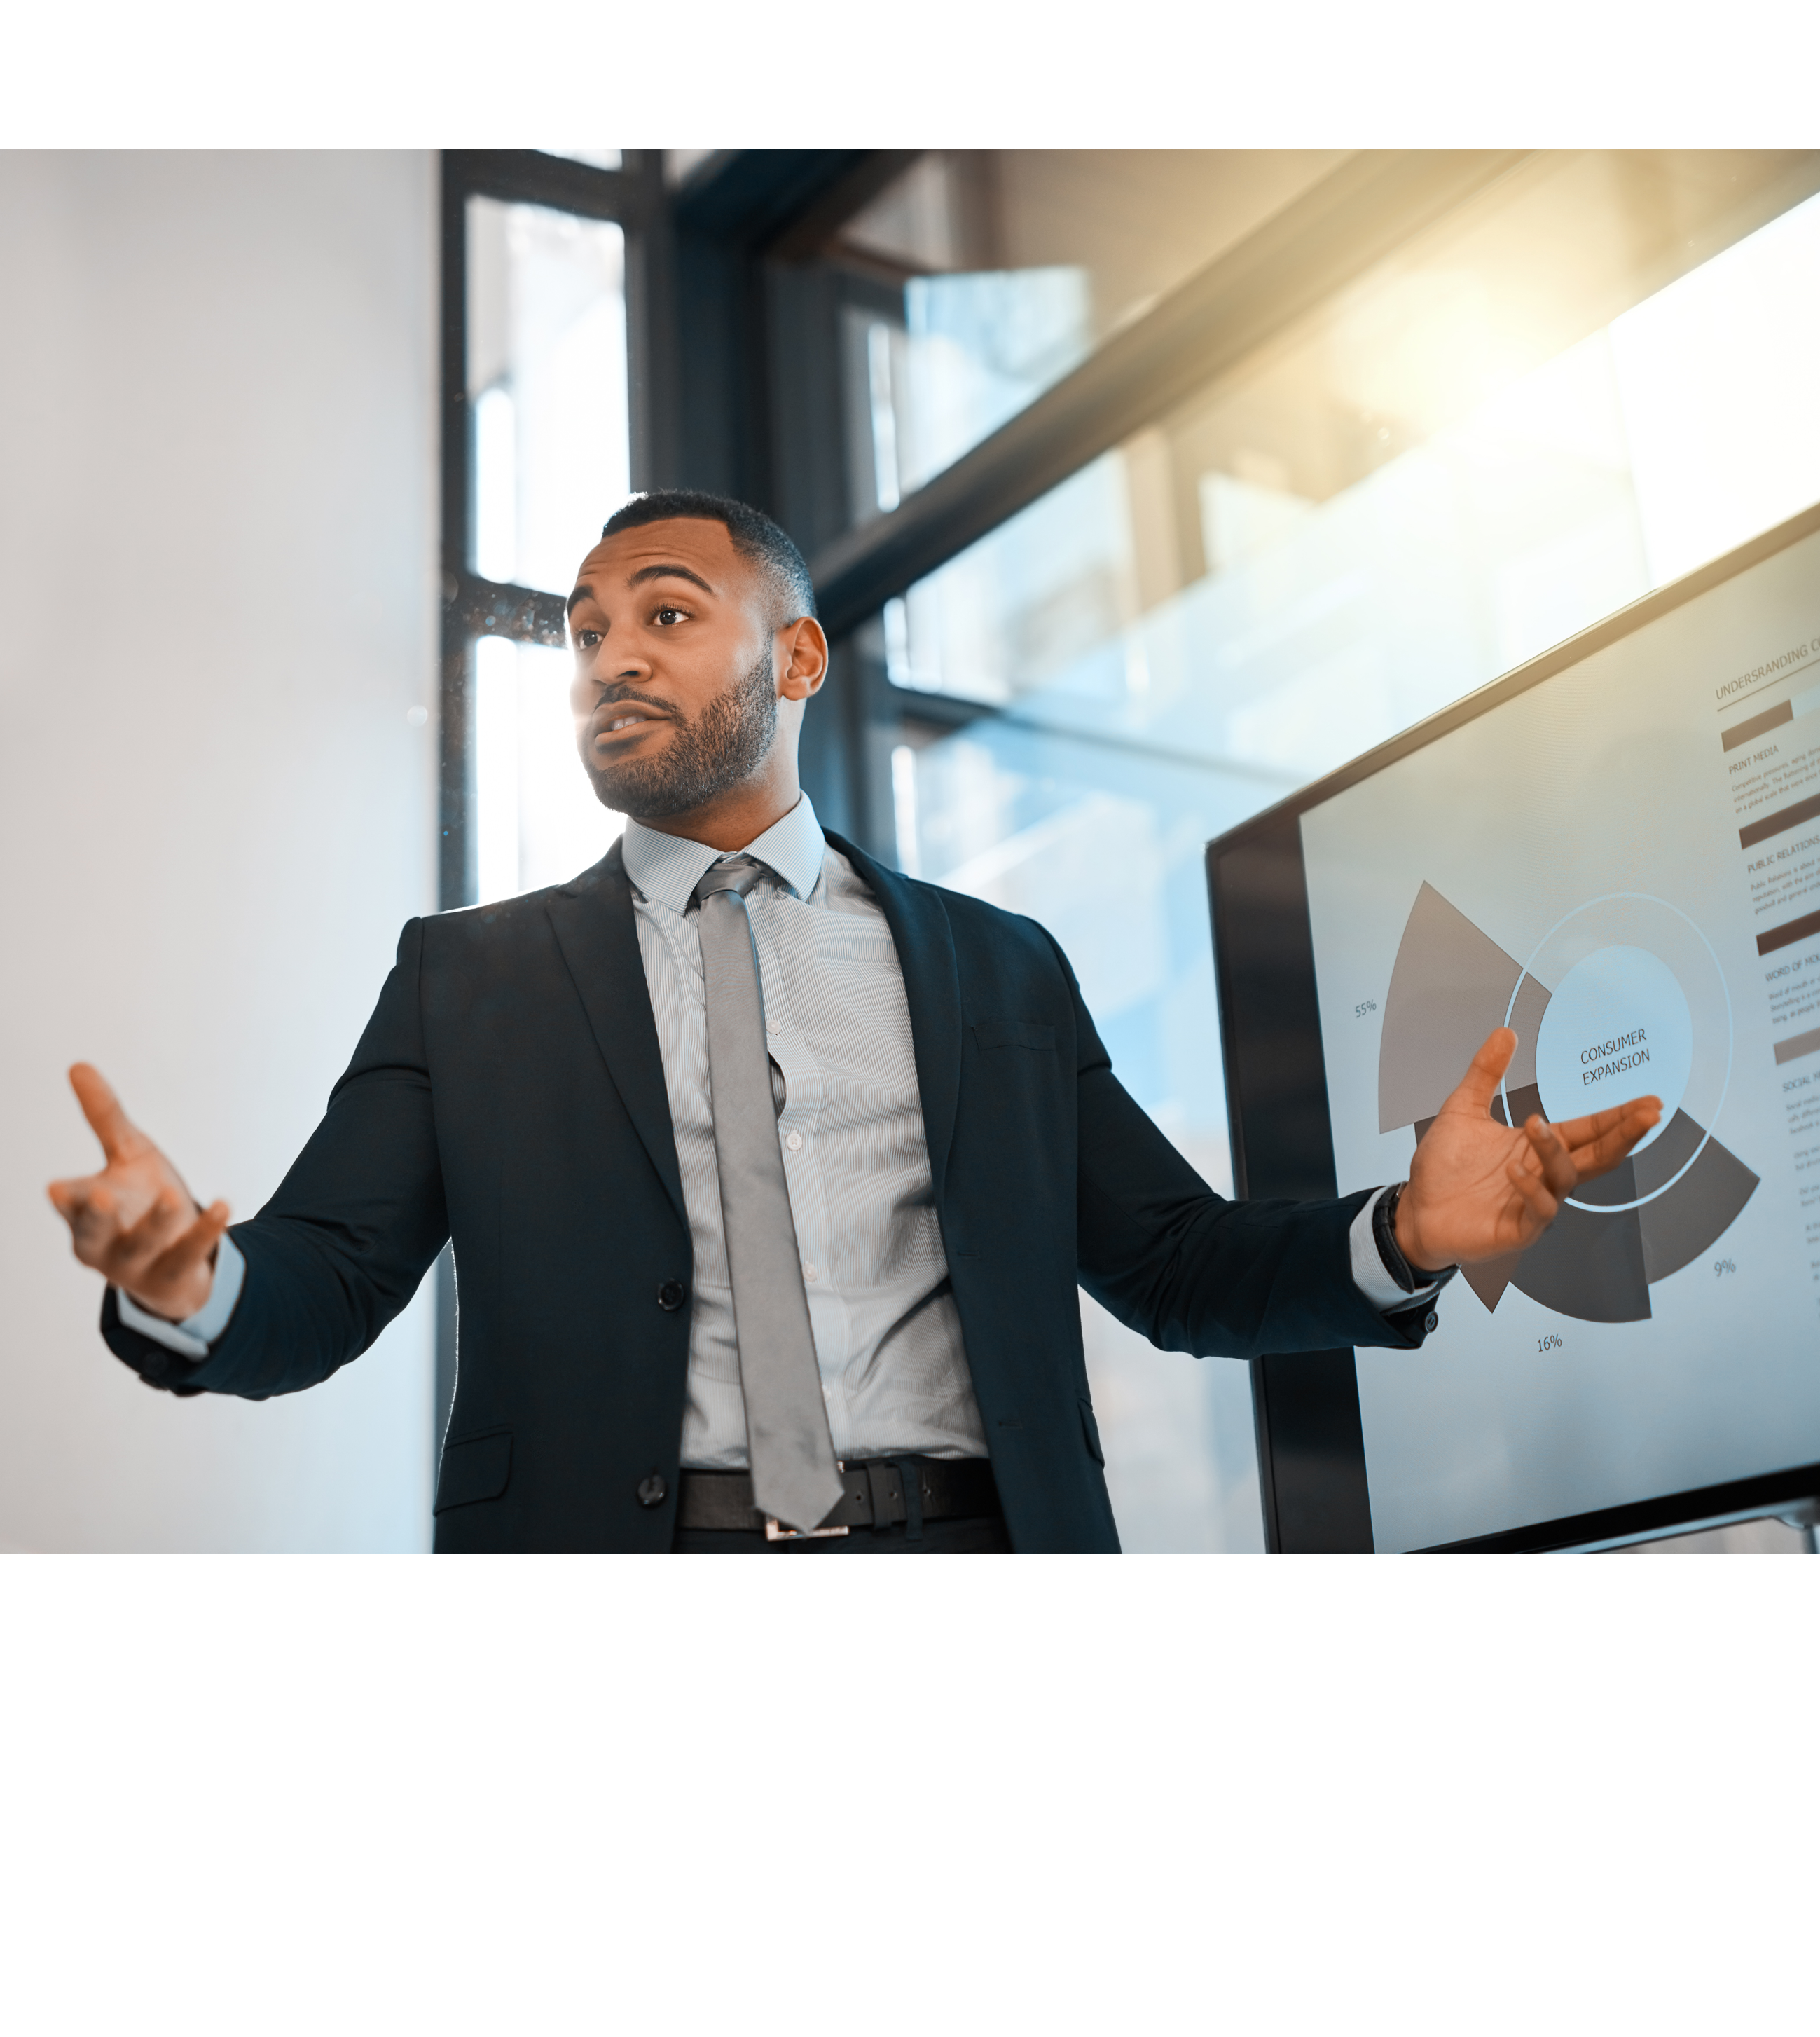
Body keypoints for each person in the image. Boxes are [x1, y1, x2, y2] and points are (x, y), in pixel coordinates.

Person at [47, 491, 1662, 1552]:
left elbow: (1175, 1268)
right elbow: (321, 1286)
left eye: (665, 615)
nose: (610, 655)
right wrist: (195, 1279)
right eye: (586, 630)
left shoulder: (998, 968)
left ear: (797, 654)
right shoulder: (469, 979)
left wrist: (1404, 1234)